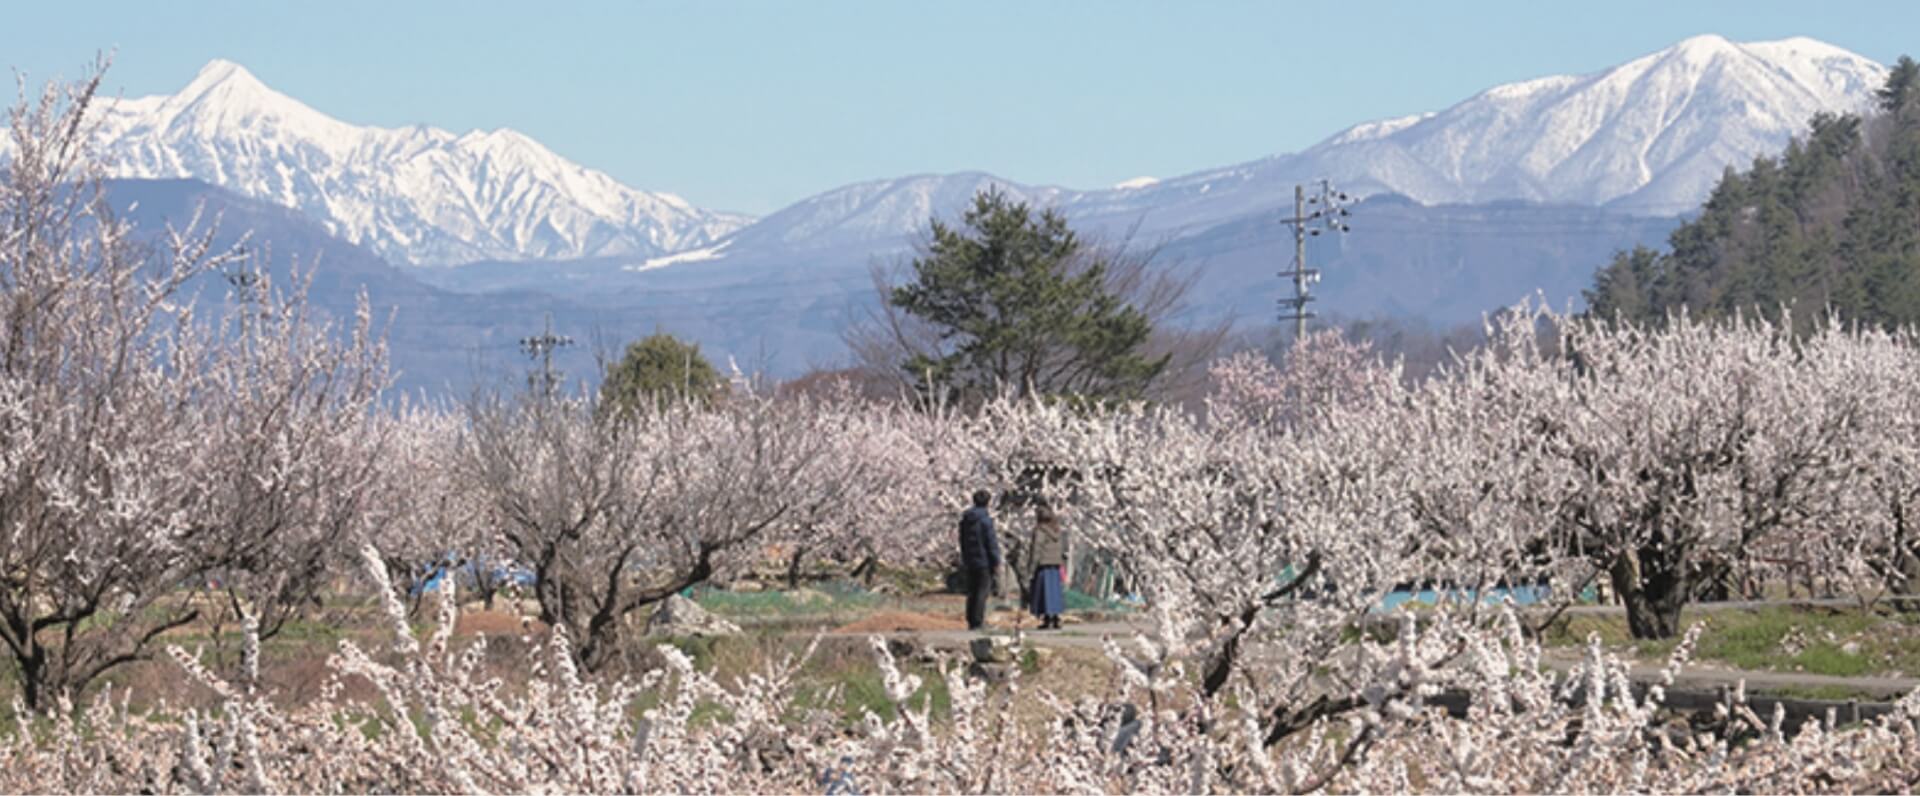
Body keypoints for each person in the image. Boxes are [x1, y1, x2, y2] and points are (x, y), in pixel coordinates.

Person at [957, 489, 1000, 631]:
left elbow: (961, 540)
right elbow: (991, 542)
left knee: (972, 591)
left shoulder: (965, 520)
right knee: (982, 591)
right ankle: (978, 621)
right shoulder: (985, 521)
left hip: (970, 559)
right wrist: (996, 561)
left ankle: (971, 619)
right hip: (984, 561)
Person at [1027, 503, 1067, 629]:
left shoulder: (1040, 531)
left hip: (1043, 565)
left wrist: (1031, 567)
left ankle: (1046, 618)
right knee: (1054, 593)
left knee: (1043, 593)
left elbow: (1036, 550)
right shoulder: (1057, 530)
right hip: (1055, 565)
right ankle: (1055, 618)